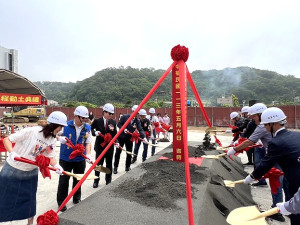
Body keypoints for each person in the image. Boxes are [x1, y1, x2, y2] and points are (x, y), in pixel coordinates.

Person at [0, 111, 67, 224]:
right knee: (4, 199)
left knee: (29, 203)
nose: (60, 130)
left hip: (30, 173)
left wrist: (57, 166)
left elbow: (50, 156)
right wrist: (12, 153)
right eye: (60, 127)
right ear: (53, 125)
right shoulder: (31, 131)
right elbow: (7, 140)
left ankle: (30, 223)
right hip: (13, 169)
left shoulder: (52, 139)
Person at [227, 103, 285, 222]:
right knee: (285, 184)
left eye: (254, 116)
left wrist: (234, 149)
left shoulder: (262, 127)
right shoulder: (271, 125)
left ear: (260, 115)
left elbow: (249, 141)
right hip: (281, 156)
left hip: (276, 158)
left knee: (277, 183)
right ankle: (286, 209)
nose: (252, 119)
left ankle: (277, 210)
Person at [243, 107, 300, 224]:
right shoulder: (296, 135)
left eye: (265, 125)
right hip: (294, 176)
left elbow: (266, 164)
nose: (264, 127)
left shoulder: (276, 142)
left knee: (296, 213)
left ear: (272, 124)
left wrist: (252, 177)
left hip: (296, 181)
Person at [56, 106, 93, 212]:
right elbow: (53, 135)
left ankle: (76, 199)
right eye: (83, 118)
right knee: (64, 181)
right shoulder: (65, 126)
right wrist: (60, 138)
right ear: (76, 116)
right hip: (66, 158)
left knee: (78, 179)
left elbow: (88, 142)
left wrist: (89, 154)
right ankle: (61, 202)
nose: (85, 120)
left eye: (86, 118)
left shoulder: (87, 128)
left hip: (80, 159)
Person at [113, 105, 145, 174]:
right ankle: (115, 167)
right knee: (118, 153)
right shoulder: (125, 117)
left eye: (138, 113)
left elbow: (140, 129)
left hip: (129, 139)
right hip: (121, 137)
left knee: (129, 153)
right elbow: (119, 124)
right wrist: (123, 129)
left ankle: (127, 167)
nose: (138, 115)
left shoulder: (137, 121)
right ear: (133, 111)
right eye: (137, 113)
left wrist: (144, 137)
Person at [91, 103, 117, 187]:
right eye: (109, 113)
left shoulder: (113, 122)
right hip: (100, 146)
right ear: (104, 112)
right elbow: (91, 129)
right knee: (98, 164)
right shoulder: (97, 121)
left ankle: (108, 180)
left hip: (109, 147)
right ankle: (96, 180)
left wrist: (116, 141)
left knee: (109, 164)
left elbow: (115, 134)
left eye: (112, 114)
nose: (111, 115)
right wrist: (95, 133)